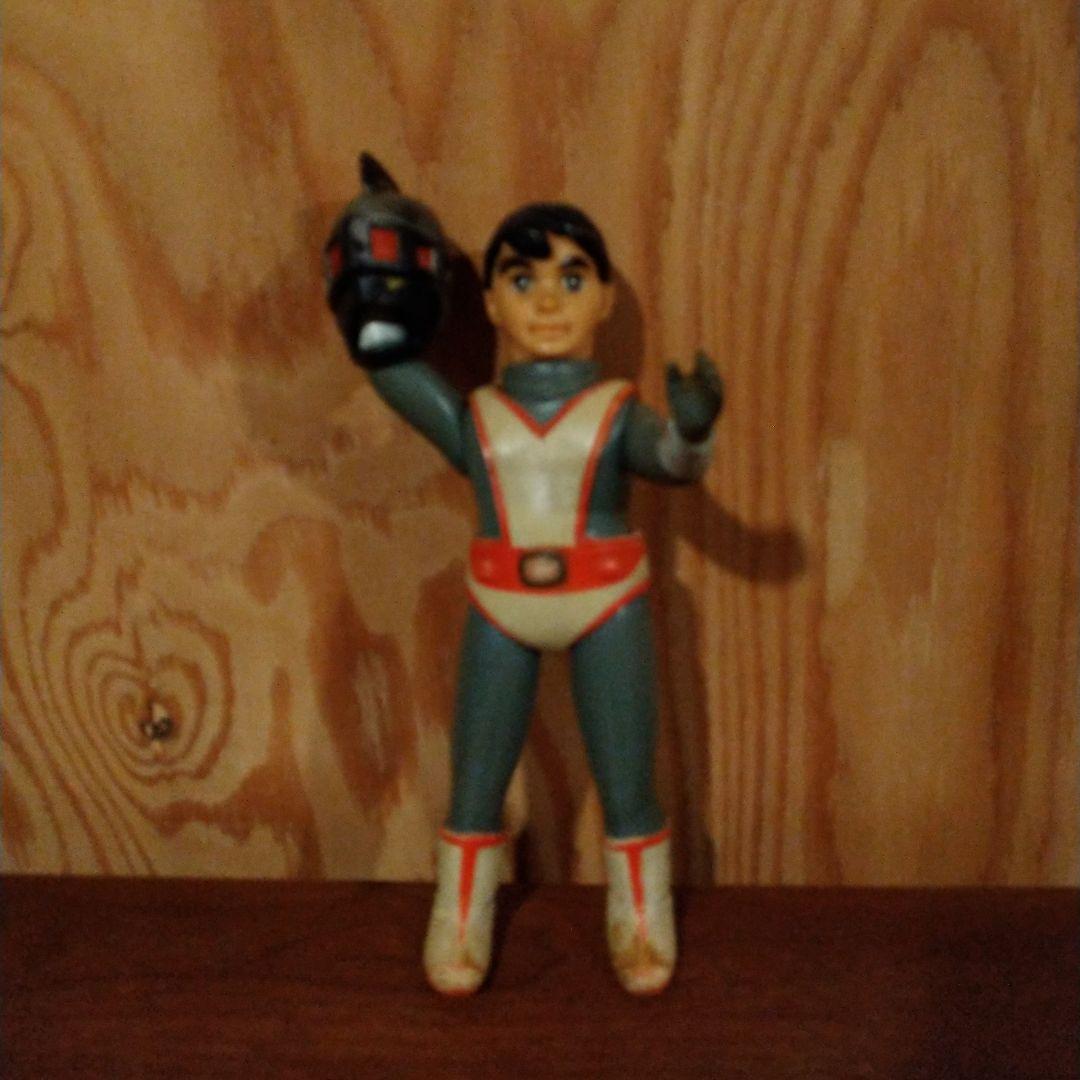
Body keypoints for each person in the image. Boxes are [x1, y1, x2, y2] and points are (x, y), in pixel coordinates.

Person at [326, 170, 723, 996]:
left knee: (627, 779)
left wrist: (692, 431)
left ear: (604, 299)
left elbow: (673, 464)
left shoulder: (617, 411)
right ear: (491, 304)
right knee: (477, 777)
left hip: (606, 601)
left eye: (572, 280)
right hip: (501, 605)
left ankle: (641, 918)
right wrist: (376, 268)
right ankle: (460, 918)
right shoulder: (475, 415)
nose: (547, 301)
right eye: (522, 280)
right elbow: (388, 364)